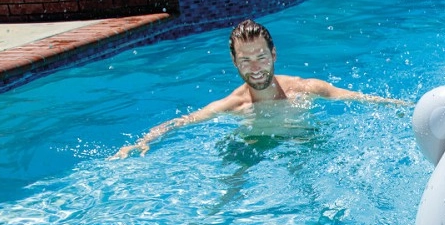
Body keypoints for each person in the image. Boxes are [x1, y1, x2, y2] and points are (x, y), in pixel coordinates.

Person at [110, 18, 409, 159]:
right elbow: (182, 122)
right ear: (235, 62)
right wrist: (143, 141)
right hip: (256, 143)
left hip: (304, 139)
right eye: (246, 60)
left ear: (274, 54)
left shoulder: (306, 89)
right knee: (233, 177)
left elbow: (359, 99)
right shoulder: (235, 105)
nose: (255, 67)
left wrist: (404, 108)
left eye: (261, 57)